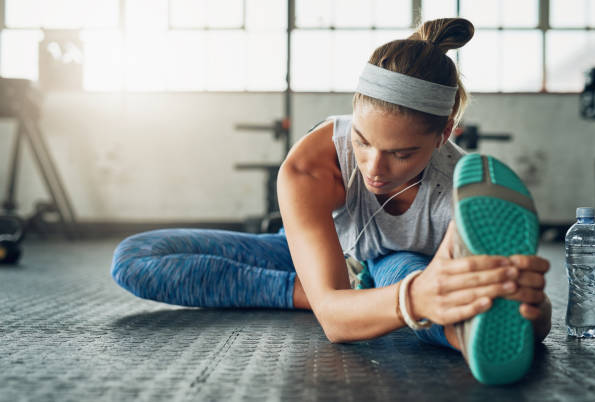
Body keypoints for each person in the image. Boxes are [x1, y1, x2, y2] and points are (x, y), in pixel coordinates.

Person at [110, 18, 552, 385]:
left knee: (415, 276)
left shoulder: (461, 190)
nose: (375, 168)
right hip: (312, 255)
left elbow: (516, 306)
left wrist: (530, 308)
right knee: (135, 258)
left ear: (445, 131)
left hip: (402, 267)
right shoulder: (311, 164)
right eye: (362, 141)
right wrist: (339, 300)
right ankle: (337, 295)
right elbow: (336, 323)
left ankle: (459, 329)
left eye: (402, 154)